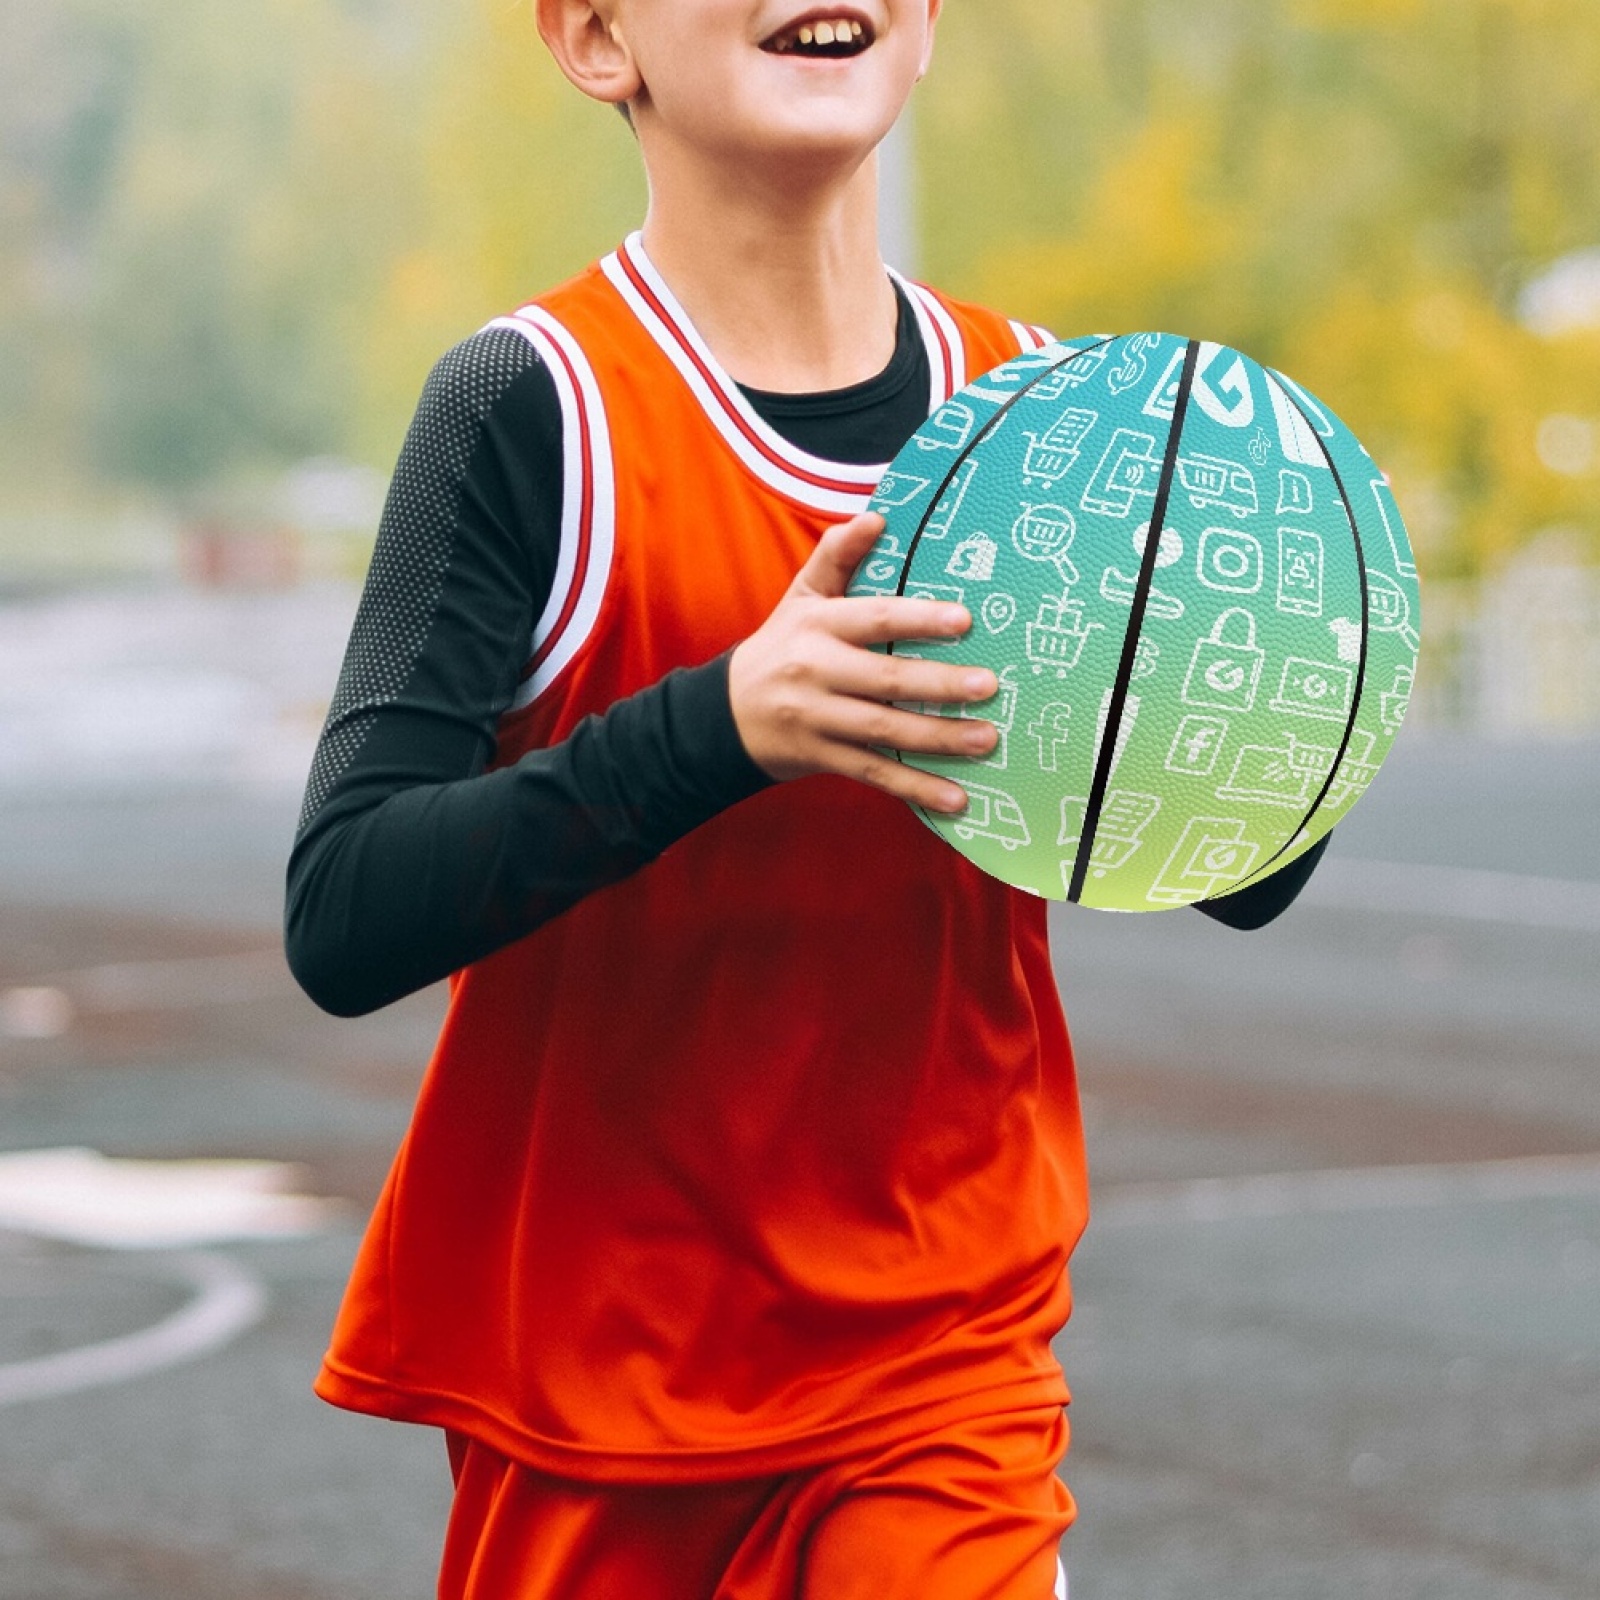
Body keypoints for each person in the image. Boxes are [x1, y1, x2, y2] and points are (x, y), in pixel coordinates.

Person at [285, 3, 1326, 1594]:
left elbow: (1250, 873)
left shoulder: (1055, 426)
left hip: (942, 1360)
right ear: (595, 38)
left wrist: (1250, 692)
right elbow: (344, 909)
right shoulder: (532, 405)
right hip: (599, 1372)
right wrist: (720, 726)